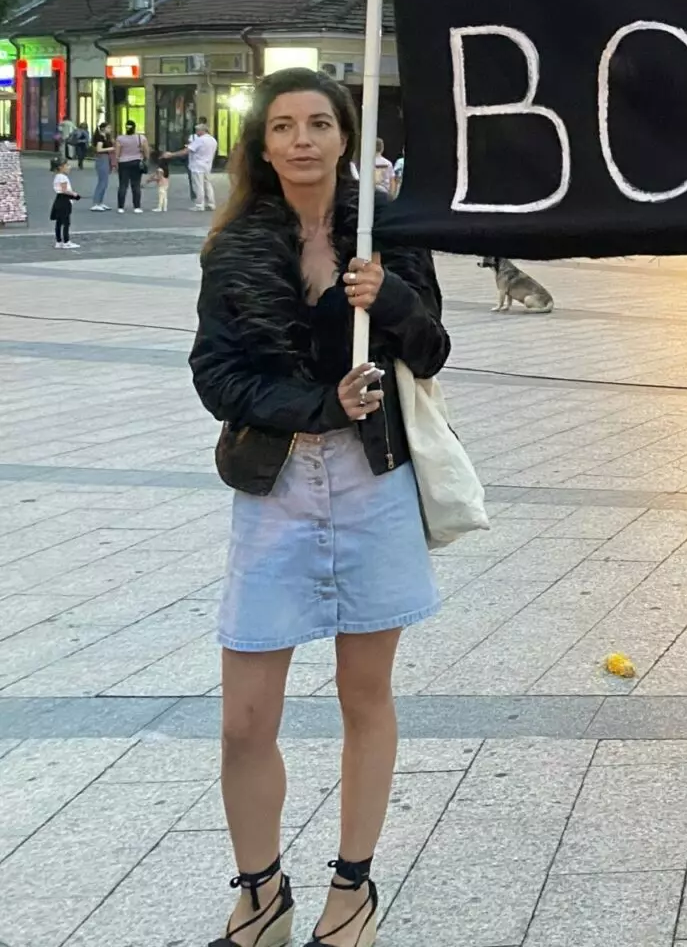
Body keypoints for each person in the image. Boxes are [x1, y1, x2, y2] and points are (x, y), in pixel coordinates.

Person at [189, 67, 448, 947]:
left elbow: (432, 349)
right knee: (244, 720)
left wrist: (392, 298)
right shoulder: (233, 247)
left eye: (319, 124)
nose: (302, 140)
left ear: (346, 137)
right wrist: (317, 407)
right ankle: (261, 894)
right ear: (262, 146)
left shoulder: (388, 232)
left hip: (374, 484)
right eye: (284, 126)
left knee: (364, 695)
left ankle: (352, 890)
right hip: (277, 488)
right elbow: (214, 375)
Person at [111, 121, 147, 213]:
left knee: (123, 185)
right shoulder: (141, 138)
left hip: (123, 163)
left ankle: (120, 207)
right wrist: (145, 158)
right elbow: (146, 150)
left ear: (125, 128)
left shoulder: (120, 138)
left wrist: (116, 163)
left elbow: (117, 152)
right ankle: (137, 207)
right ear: (134, 128)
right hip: (136, 162)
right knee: (136, 185)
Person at [187, 119, 220, 211]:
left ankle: (199, 204)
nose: (196, 132)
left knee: (199, 185)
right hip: (207, 165)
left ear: (202, 131)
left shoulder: (200, 140)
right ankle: (211, 203)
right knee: (207, 184)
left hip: (197, 165)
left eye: (197, 130)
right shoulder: (213, 140)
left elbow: (189, 150)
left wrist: (172, 154)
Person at [50, 157, 78, 248]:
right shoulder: (63, 177)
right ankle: (66, 241)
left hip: (59, 199)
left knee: (59, 222)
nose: (69, 167)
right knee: (66, 222)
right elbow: (65, 190)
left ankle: (58, 241)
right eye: (67, 165)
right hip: (64, 200)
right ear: (61, 167)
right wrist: (74, 195)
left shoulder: (57, 176)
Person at [90, 122, 113, 210]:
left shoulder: (105, 137)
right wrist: (111, 148)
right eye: (108, 128)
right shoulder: (100, 137)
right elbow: (99, 149)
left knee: (105, 182)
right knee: (102, 182)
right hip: (101, 158)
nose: (110, 129)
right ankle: (96, 203)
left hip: (105, 158)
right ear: (103, 128)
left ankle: (100, 202)